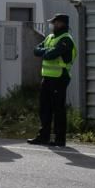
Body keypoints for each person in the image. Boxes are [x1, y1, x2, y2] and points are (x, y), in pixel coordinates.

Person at [28, 13, 77, 147]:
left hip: (60, 77)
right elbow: (36, 50)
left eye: (54, 22)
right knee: (44, 108)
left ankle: (59, 139)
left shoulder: (66, 39)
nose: (52, 25)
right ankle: (43, 137)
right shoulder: (50, 37)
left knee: (58, 109)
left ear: (61, 24)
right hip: (47, 78)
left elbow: (50, 55)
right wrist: (47, 50)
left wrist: (46, 51)